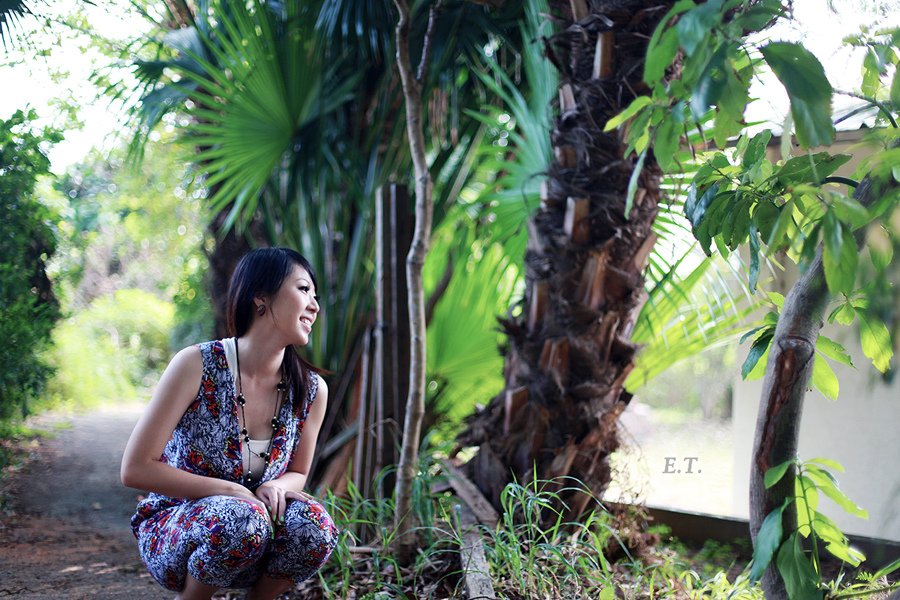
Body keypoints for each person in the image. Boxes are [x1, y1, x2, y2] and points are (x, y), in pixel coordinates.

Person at [121, 247, 338, 600]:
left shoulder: (311, 390)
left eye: (316, 296)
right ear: (260, 297)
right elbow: (135, 469)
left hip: (258, 535)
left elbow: (299, 472)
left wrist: (277, 486)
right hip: (178, 532)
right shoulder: (196, 365)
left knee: (316, 526)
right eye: (303, 290)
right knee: (242, 518)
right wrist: (230, 491)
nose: (314, 306)